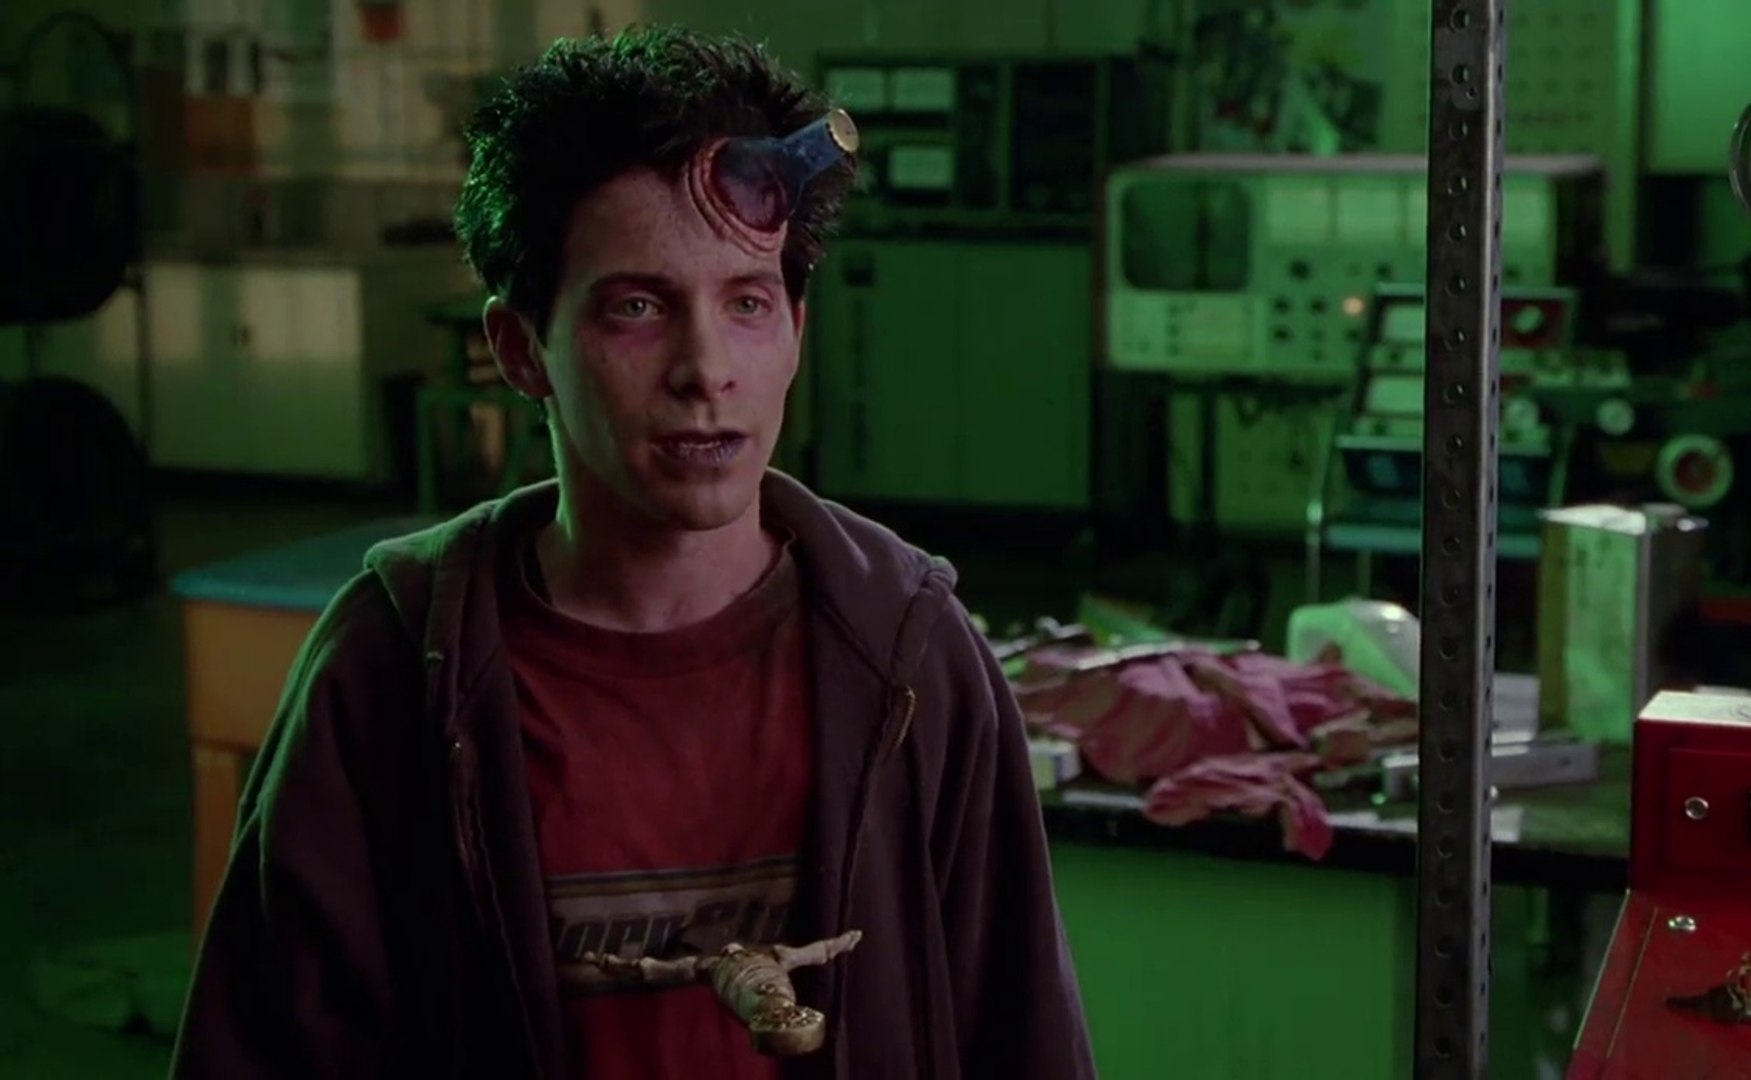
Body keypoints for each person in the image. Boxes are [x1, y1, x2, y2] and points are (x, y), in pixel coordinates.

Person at [172, 24, 1094, 1080]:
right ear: (521, 348)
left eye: (747, 303)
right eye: (638, 308)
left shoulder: (908, 653)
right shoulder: (395, 667)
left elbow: (1023, 1035)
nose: (707, 369)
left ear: (796, 328)